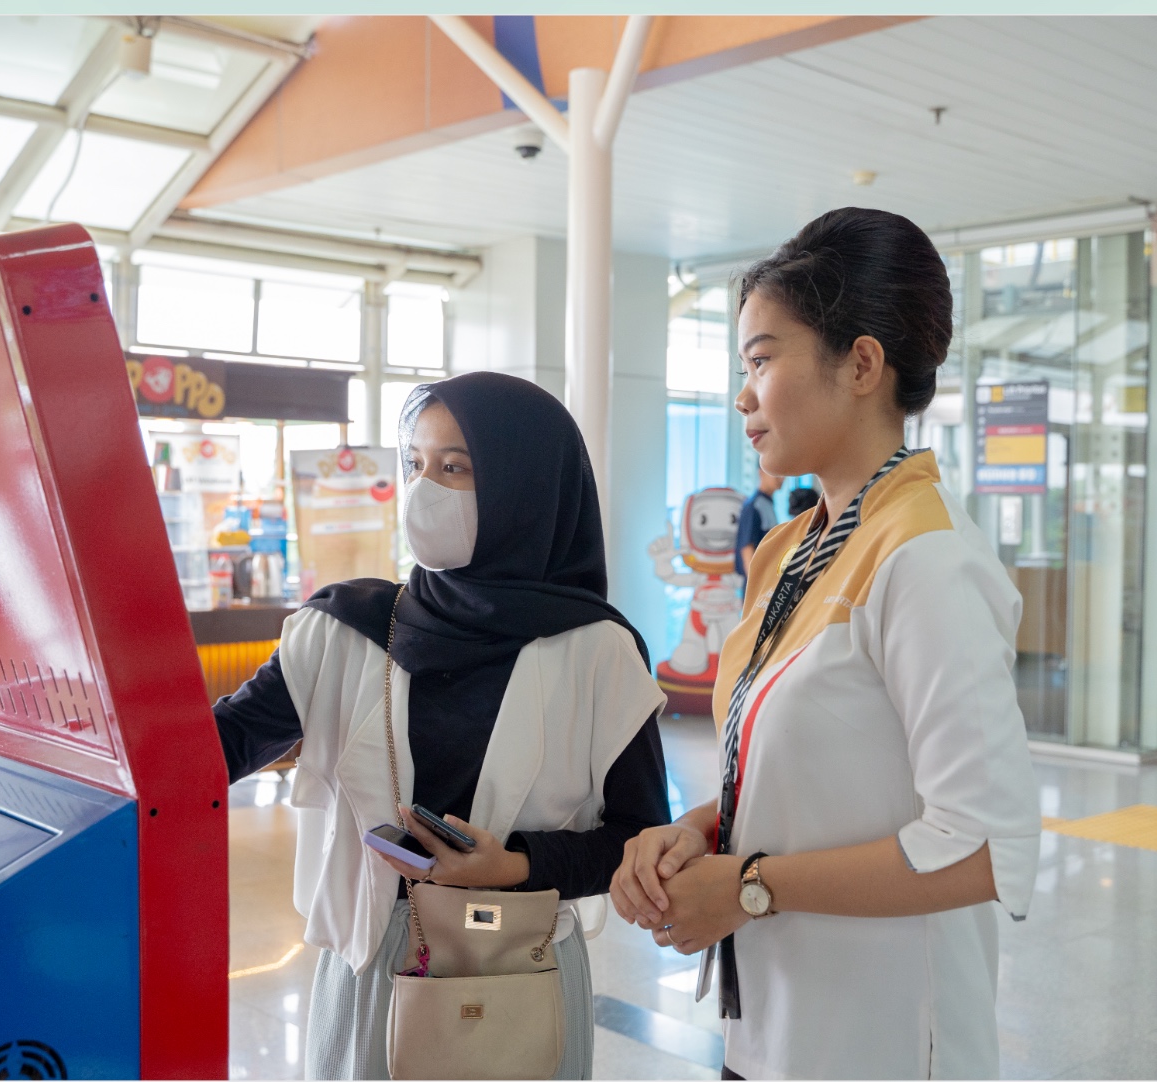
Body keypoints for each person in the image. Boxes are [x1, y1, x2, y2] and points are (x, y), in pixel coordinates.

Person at [609, 208, 1042, 1080]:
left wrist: (749, 886)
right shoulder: (792, 550)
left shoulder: (926, 558)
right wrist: (697, 833)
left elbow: (980, 845)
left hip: (880, 1041)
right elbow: (805, 772)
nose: (743, 396)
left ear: (862, 365)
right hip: (773, 1025)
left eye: (762, 361)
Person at [214, 371, 670, 1080]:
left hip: (519, 971)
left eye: (455, 467)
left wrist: (515, 864)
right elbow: (221, 746)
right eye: (415, 464)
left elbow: (640, 838)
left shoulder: (597, 652)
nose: (425, 489)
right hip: (370, 961)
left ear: (525, 488)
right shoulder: (347, 628)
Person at [733, 467, 780, 579]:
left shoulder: (768, 504)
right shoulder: (753, 505)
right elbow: (747, 549)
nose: (781, 478)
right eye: (776, 473)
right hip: (758, 582)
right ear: (761, 473)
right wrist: (755, 584)